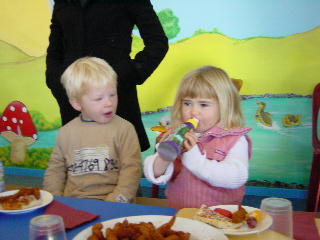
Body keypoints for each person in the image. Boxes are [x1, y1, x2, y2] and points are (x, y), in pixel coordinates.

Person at [46, 0, 169, 152]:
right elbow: (55, 48)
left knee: (122, 166)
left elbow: (157, 42)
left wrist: (124, 75)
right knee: (76, 165)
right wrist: (55, 80)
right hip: (72, 102)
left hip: (117, 101)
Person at [144, 65, 252, 209]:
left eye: (203, 104)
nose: (194, 111)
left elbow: (237, 177)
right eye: (187, 103)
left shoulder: (235, 139)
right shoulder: (175, 133)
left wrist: (194, 159)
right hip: (180, 212)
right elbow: (156, 175)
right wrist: (164, 158)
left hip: (221, 219)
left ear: (224, 107)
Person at [43, 57, 141, 203]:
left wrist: (117, 200)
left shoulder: (125, 129)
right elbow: (55, 171)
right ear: (77, 103)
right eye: (98, 98)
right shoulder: (66, 133)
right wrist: (54, 200)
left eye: (112, 95)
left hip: (115, 203)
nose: (109, 103)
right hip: (74, 202)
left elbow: (132, 169)